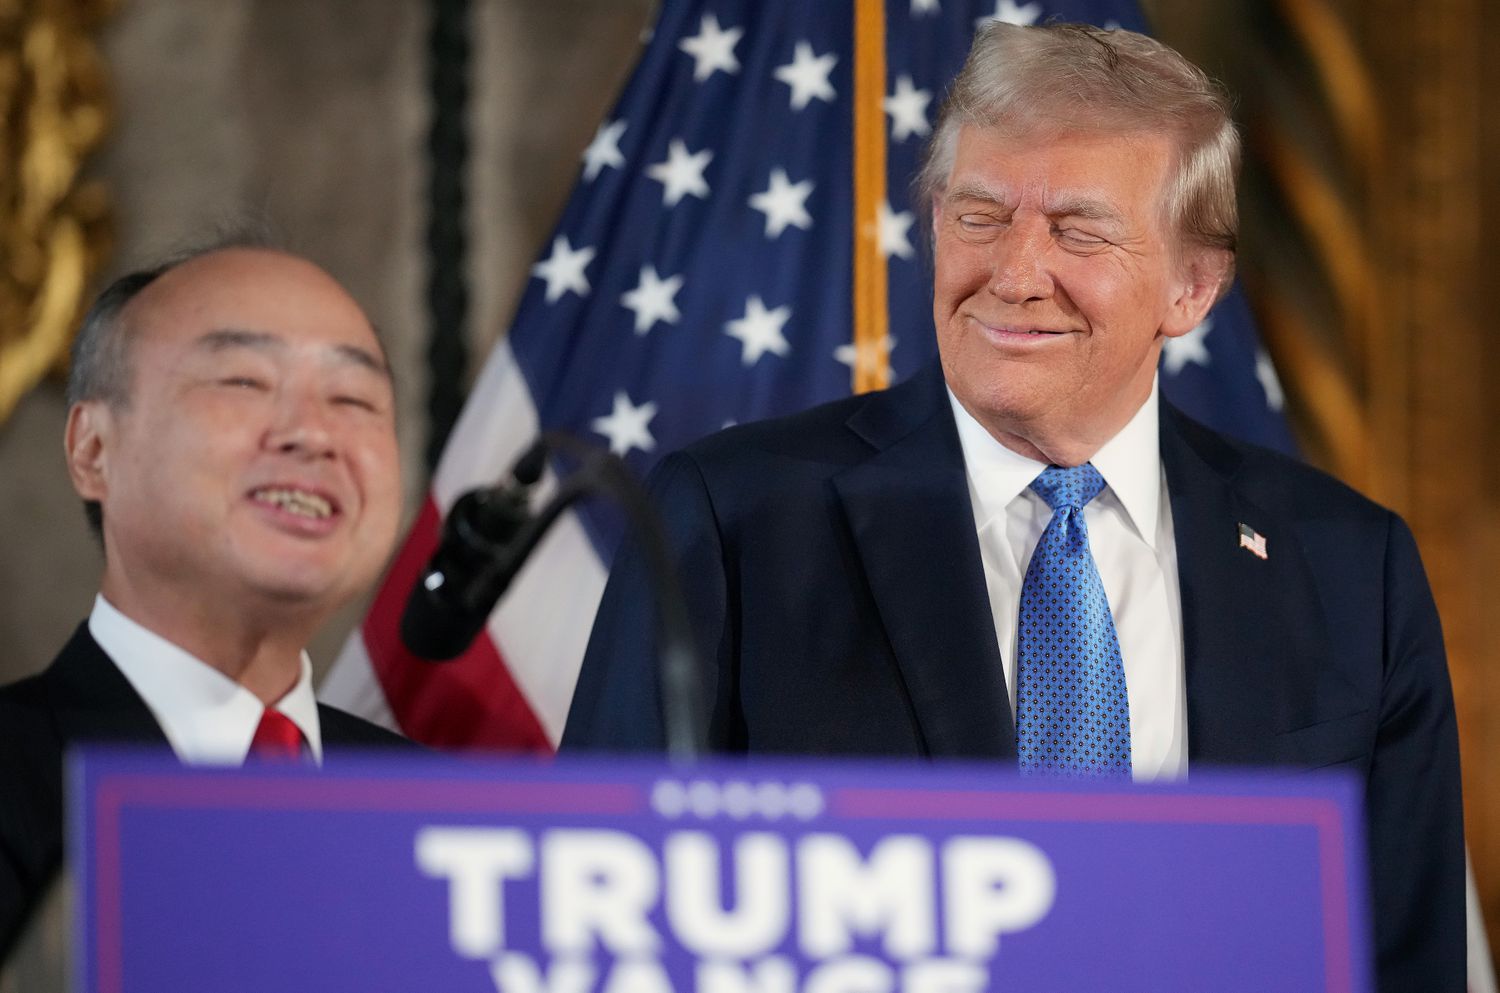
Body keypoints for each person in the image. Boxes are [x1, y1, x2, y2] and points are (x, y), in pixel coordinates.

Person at [562, 21, 1464, 992]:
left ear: (1192, 287)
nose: (1014, 274)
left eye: (1077, 230)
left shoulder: (1347, 566)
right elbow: (600, 912)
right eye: (981, 216)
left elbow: (1405, 959)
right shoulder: (735, 520)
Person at [0, 237, 413, 957]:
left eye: (353, 397)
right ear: (92, 449)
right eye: (244, 382)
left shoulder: (442, 813)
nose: (314, 432)